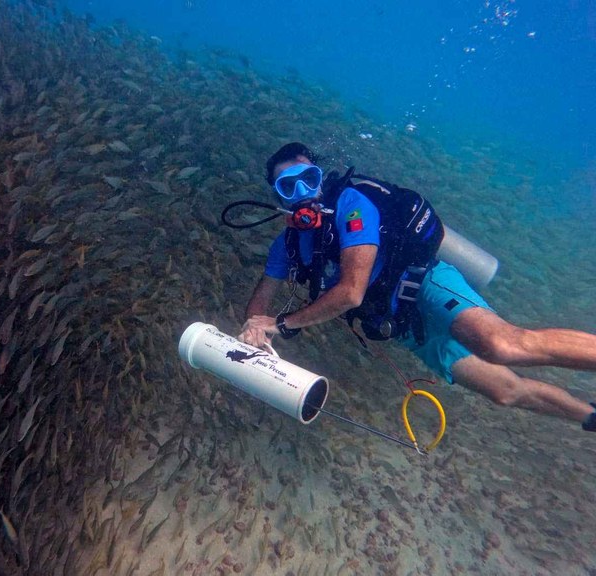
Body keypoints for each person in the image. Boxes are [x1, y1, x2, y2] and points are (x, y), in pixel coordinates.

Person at [238, 142, 596, 431]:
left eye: (308, 178)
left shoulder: (351, 204)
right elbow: (262, 300)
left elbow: (351, 292)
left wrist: (281, 325)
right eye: (289, 186)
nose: (302, 192)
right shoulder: (286, 244)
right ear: (279, 197)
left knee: (501, 345)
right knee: (504, 391)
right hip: (403, 325)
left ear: (320, 176)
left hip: (425, 283)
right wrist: (254, 328)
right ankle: (589, 415)